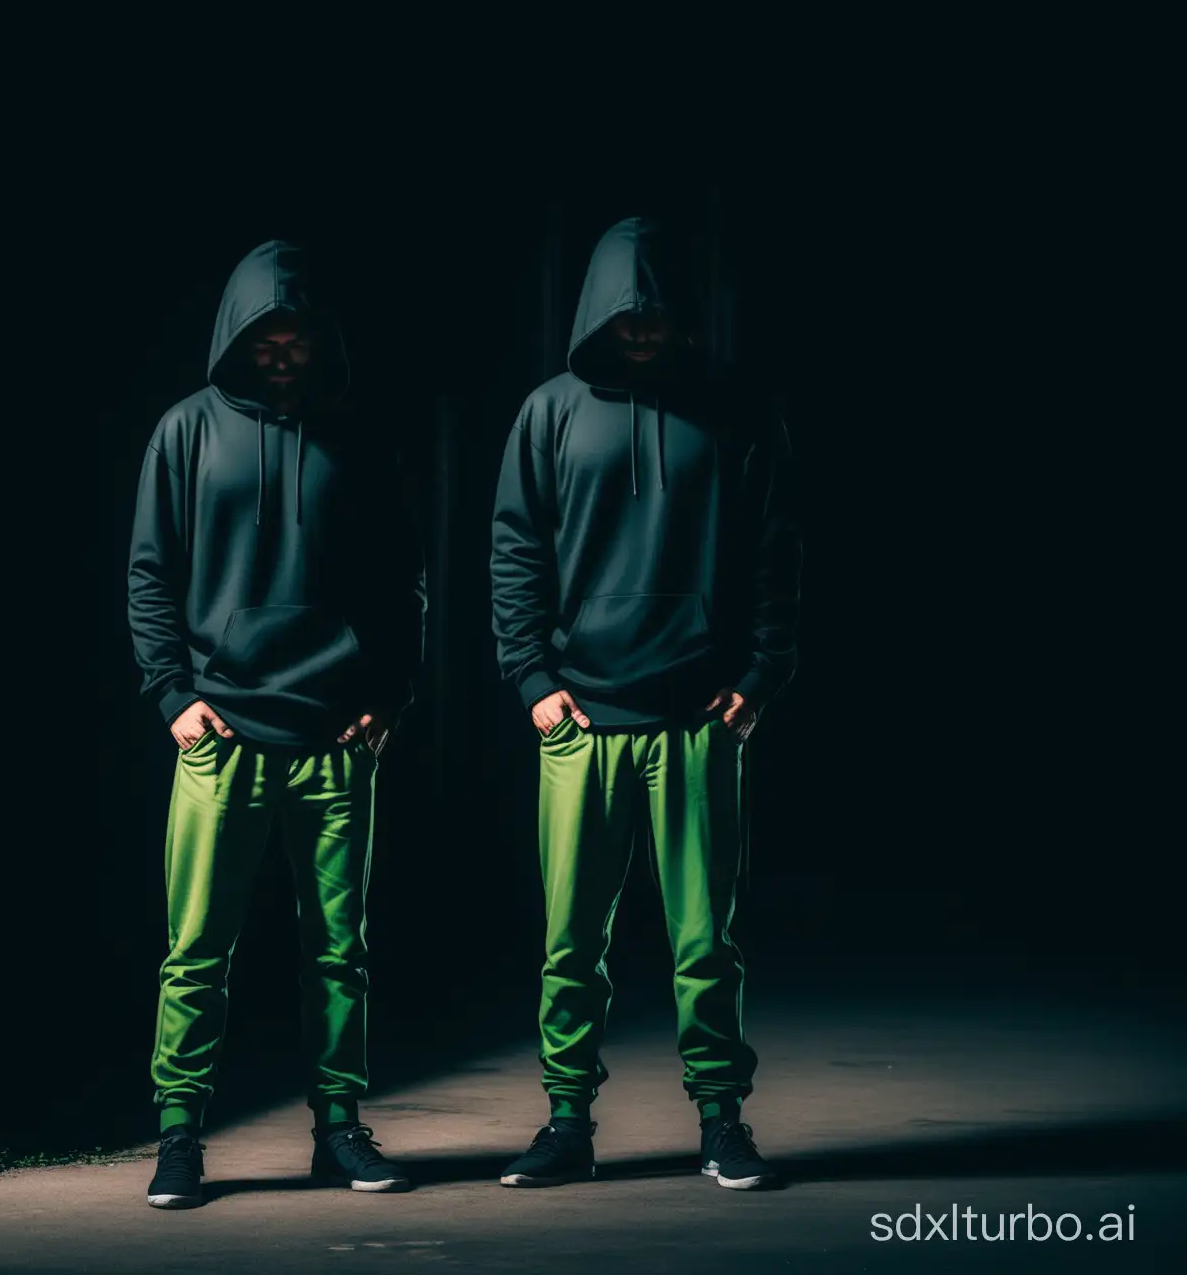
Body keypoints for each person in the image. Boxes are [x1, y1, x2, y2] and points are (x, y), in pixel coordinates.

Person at [490, 215, 801, 1192]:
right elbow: (515, 550)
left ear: (677, 315)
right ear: (596, 313)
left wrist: (757, 682)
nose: (638, 331)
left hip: (697, 725)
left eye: (653, 315)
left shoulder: (738, 409)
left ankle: (721, 1119)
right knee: (570, 942)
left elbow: (775, 552)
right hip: (580, 725)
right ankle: (566, 1122)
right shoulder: (548, 413)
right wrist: (534, 683)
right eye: (623, 316)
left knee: (707, 940)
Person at [128, 239, 426, 1209]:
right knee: (197, 949)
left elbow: (399, 583)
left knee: (340, 953)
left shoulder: (358, 439)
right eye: (266, 336)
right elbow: (149, 576)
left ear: (317, 341)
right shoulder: (184, 433)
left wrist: (388, 699)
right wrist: (175, 698)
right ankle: (180, 1136)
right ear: (238, 337)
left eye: (296, 336)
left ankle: (338, 1130)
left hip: (335, 740)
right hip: (219, 743)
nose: (282, 352)